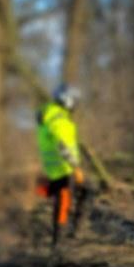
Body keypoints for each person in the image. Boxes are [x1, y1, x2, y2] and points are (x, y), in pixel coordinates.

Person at [36, 84, 86, 246]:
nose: (75, 104)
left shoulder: (48, 114)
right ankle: (61, 241)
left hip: (53, 168)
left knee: (68, 200)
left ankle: (67, 235)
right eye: (74, 100)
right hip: (64, 168)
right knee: (65, 203)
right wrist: (75, 167)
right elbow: (63, 146)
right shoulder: (59, 119)